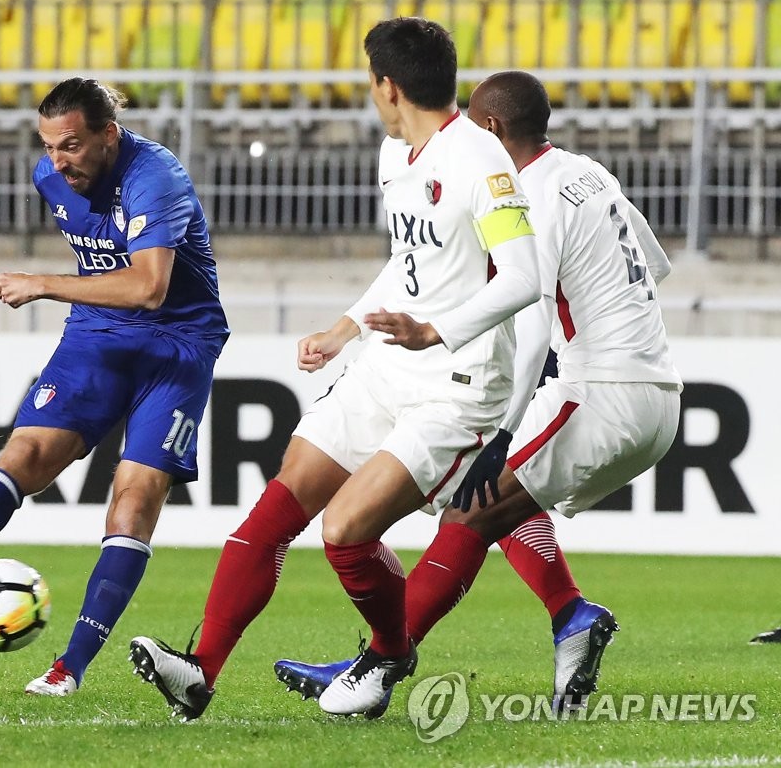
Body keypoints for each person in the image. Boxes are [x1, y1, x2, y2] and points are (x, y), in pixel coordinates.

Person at [128, 18, 541, 720]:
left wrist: (432, 329)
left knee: (345, 530)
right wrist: (347, 328)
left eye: (370, 81)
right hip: (386, 365)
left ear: (387, 85)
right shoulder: (396, 155)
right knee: (282, 497)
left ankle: (390, 650)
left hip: (456, 384)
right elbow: (407, 264)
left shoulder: (479, 158)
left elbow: (524, 276)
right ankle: (200, 671)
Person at [276, 70, 683, 715]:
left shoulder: (533, 194)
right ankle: (571, 616)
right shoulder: (588, 173)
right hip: (653, 388)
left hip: (602, 391)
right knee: (498, 505)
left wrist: (499, 431)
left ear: (491, 129)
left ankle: (376, 667)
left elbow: (534, 322)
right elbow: (655, 264)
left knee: (471, 502)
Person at [0, 78, 229, 697]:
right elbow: (104, 269)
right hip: (97, 337)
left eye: (72, 145)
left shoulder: (155, 177)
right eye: (49, 145)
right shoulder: (50, 176)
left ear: (109, 133)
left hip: (176, 344)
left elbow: (149, 287)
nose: (58, 160)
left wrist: (44, 283)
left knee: (133, 498)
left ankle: (67, 668)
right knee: (22, 457)